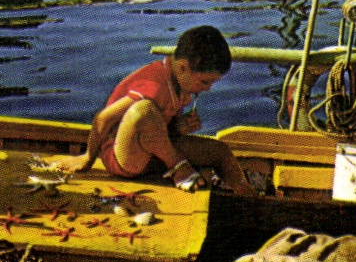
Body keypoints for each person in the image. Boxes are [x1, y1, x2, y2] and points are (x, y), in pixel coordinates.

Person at [74, 26, 266, 195]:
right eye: (204, 82)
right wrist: (88, 157)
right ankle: (178, 167)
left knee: (221, 151)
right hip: (123, 159)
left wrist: (176, 128)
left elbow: (156, 133)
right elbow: (103, 118)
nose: (207, 89)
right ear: (182, 67)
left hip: (151, 156)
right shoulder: (155, 84)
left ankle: (247, 197)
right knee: (144, 110)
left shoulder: (180, 85)